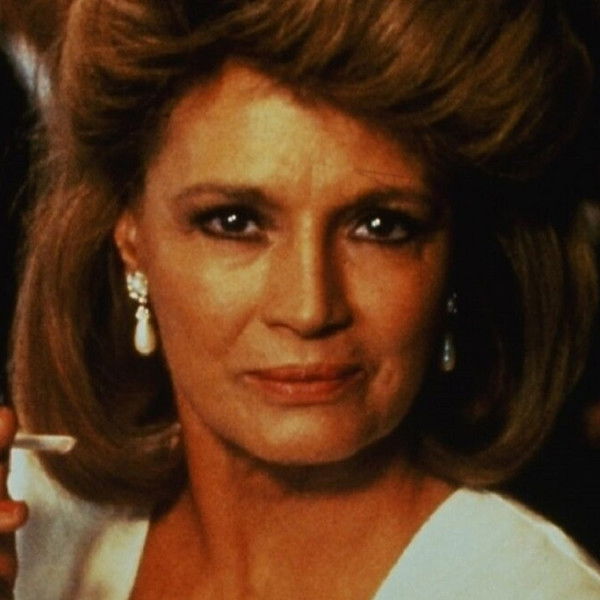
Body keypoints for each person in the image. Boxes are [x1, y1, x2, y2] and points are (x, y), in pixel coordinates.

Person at [2, 0, 600, 597]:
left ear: (454, 259)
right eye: (234, 222)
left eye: (381, 227)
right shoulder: (34, 523)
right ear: (132, 237)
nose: (310, 308)